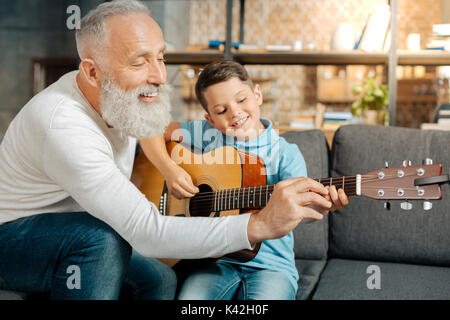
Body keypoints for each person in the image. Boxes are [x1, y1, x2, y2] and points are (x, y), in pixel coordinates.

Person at [0, 0, 334, 300]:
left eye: (161, 57)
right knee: (100, 239)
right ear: (91, 71)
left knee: (160, 279)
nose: (160, 76)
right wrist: (258, 226)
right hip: (14, 238)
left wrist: (168, 168)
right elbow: (147, 232)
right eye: (139, 62)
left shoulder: (117, 97)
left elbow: (151, 128)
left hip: (82, 223)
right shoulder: (62, 124)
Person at [139, 60, 349, 300]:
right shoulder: (208, 136)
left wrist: (319, 204)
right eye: (221, 110)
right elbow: (150, 129)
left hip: (271, 266)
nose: (235, 112)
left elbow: (301, 206)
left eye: (241, 100)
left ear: (257, 94)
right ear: (210, 120)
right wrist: (169, 170)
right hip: (214, 261)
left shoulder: (285, 154)